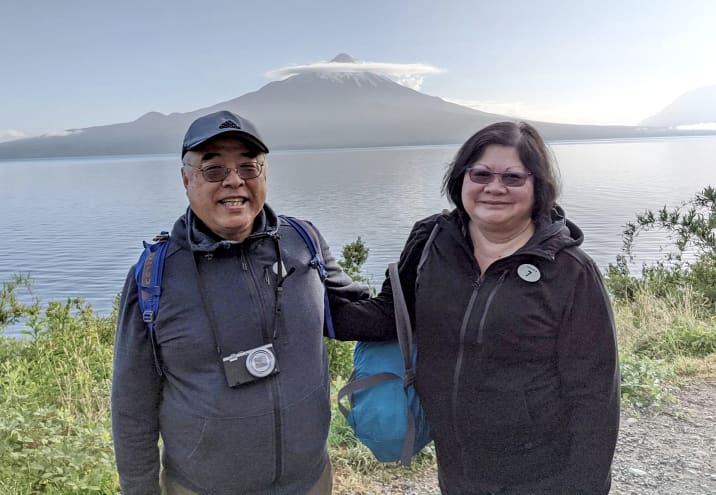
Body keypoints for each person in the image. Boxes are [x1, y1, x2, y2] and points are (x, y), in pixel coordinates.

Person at [332, 121, 620, 494]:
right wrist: (307, 306)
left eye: (513, 177)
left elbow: (595, 397)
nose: (494, 187)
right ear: (461, 179)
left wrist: (586, 486)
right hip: (456, 467)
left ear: (538, 186)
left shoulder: (570, 272)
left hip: (542, 474)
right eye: (480, 174)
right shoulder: (431, 242)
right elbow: (390, 315)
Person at [111, 110, 368, 494]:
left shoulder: (303, 242)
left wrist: (427, 280)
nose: (234, 180)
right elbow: (132, 404)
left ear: (264, 174)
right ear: (186, 179)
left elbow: (353, 314)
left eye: (249, 167)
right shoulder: (155, 274)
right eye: (213, 170)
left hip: (310, 480)